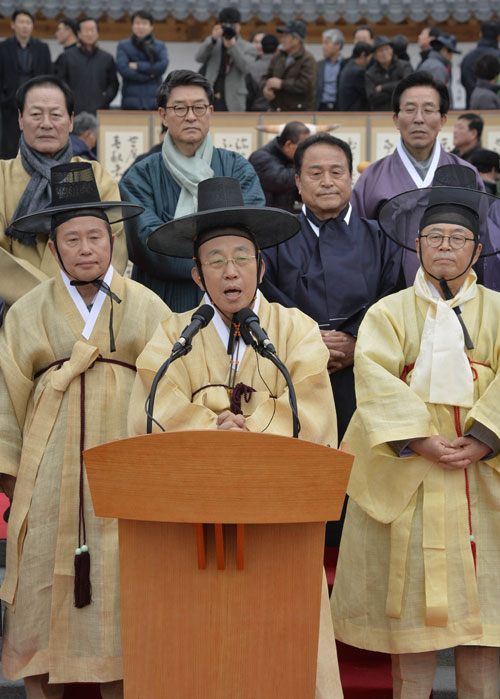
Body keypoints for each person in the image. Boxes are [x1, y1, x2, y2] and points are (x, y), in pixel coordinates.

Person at [129, 175, 343, 699]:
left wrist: (241, 428)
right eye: (216, 260)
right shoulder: (173, 334)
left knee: (281, 652)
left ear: (261, 267)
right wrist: (216, 428)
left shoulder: (295, 330)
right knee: (199, 652)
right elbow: (150, 411)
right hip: (192, 524)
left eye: (243, 257)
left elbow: (312, 414)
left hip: (278, 523)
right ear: (197, 275)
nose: (231, 271)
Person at [0, 161, 169, 699]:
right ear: (53, 249)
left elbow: (171, 386)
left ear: (113, 241)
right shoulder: (27, 311)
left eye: (96, 236)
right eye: (71, 239)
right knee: (40, 590)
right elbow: (7, 395)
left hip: (125, 468)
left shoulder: (146, 305)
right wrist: (11, 474)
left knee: (121, 592)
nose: (86, 248)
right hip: (47, 472)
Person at [332, 165, 500, 698]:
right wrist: (420, 438)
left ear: (476, 250)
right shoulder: (389, 312)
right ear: (418, 245)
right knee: (413, 627)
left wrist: (487, 434)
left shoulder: (498, 310)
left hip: (484, 478)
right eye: (434, 238)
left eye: (457, 239)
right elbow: (374, 378)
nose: (444, 248)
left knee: (484, 626)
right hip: (415, 473)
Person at [261, 132, 402, 441]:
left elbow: (395, 299)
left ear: (350, 177)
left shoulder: (383, 236)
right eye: (315, 173)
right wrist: (309, 340)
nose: (327, 181)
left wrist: (357, 341)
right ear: (298, 182)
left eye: (336, 172)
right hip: (295, 377)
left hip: (367, 374)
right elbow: (267, 301)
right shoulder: (275, 240)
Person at [119, 70, 265, 312]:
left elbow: (252, 232)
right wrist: (217, 260)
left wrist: (209, 260)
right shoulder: (141, 175)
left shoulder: (237, 168)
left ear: (210, 112)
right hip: (159, 302)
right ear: (163, 115)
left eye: (199, 108)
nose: (190, 117)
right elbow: (148, 245)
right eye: (179, 108)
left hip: (228, 302)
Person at [0, 75, 128, 309]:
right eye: (36, 114)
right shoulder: (1, 177)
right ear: (20, 119)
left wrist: (82, 295)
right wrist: (53, 299)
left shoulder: (95, 175)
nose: (46, 123)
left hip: (88, 307)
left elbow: (115, 242)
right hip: (20, 313)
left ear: (70, 121)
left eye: (56, 115)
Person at [352, 71, 484, 284]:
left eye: (428, 110)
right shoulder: (372, 177)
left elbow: (483, 237)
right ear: (396, 119)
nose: (419, 119)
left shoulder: (465, 173)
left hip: (454, 293)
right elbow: (357, 242)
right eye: (410, 110)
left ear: (442, 120)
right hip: (388, 296)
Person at [0, 9, 52, 159]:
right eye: (21, 22)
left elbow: (48, 75)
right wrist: (4, 99)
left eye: (28, 22)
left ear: (32, 26)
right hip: (9, 104)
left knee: (36, 140)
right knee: (9, 144)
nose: (24, 26)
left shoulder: (42, 48)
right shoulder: (3, 48)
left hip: (37, 103)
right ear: (13, 25)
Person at [195, 7, 255, 112]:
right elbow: (199, 58)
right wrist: (213, 39)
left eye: (232, 25)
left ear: (239, 26)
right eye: (225, 25)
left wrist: (233, 47)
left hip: (234, 98)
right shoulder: (213, 42)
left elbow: (246, 68)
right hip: (211, 95)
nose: (229, 28)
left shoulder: (248, 47)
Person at [55, 17, 119, 115]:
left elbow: (113, 85)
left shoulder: (107, 58)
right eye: (86, 30)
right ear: (79, 34)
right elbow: (60, 83)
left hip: (99, 111)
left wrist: (104, 99)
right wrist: (70, 100)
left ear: (97, 33)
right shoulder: (66, 57)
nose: (89, 34)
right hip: (73, 112)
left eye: (93, 30)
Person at [248, 120, 310, 212]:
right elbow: (282, 181)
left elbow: (300, 192)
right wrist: (308, 165)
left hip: (282, 218)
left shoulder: (290, 159)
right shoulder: (260, 157)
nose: (306, 151)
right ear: (289, 144)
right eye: (303, 146)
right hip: (262, 218)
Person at [116, 10, 168, 111]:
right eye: (137, 23)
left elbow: (162, 66)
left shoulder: (159, 46)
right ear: (132, 25)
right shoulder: (123, 46)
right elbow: (123, 69)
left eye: (144, 23)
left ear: (151, 26)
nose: (140, 26)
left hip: (155, 101)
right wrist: (150, 75)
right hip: (130, 102)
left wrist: (138, 66)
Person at [261, 21, 317, 112]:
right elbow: (265, 77)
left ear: (296, 39)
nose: (282, 40)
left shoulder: (307, 59)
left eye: (286, 36)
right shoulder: (278, 57)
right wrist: (265, 88)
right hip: (277, 109)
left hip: (299, 111)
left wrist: (282, 84)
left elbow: (307, 84)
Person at [365, 36, 412, 112]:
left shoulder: (404, 66)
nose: (384, 53)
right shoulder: (370, 73)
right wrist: (397, 93)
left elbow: (408, 85)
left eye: (386, 49)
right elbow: (372, 97)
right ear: (374, 55)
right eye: (380, 51)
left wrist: (383, 88)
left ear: (392, 50)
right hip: (380, 115)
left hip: (402, 112)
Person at [461, 20, 500, 108]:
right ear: (499, 37)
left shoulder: (467, 58)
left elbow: (464, 81)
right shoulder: (498, 58)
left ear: (480, 34)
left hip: (471, 109)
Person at [419, 33, 460, 103]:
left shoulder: (430, 63)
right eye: (450, 52)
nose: (451, 56)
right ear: (443, 50)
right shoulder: (438, 68)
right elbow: (438, 95)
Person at [314, 29, 346, 111]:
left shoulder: (346, 65)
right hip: (321, 107)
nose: (323, 46)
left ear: (338, 45)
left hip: (340, 107)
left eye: (327, 42)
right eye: (323, 43)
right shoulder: (318, 65)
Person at [246, 33, 279, 111]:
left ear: (262, 48)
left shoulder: (251, 66)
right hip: (278, 109)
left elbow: (249, 94)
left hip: (257, 108)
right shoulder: (283, 65)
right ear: (277, 49)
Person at [337, 42, 373, 111]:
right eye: (369, 58)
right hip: (356, 113)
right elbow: (368, 94)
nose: (369, 62)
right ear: (363, 55)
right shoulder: (358, 72)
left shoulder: (347, 66)